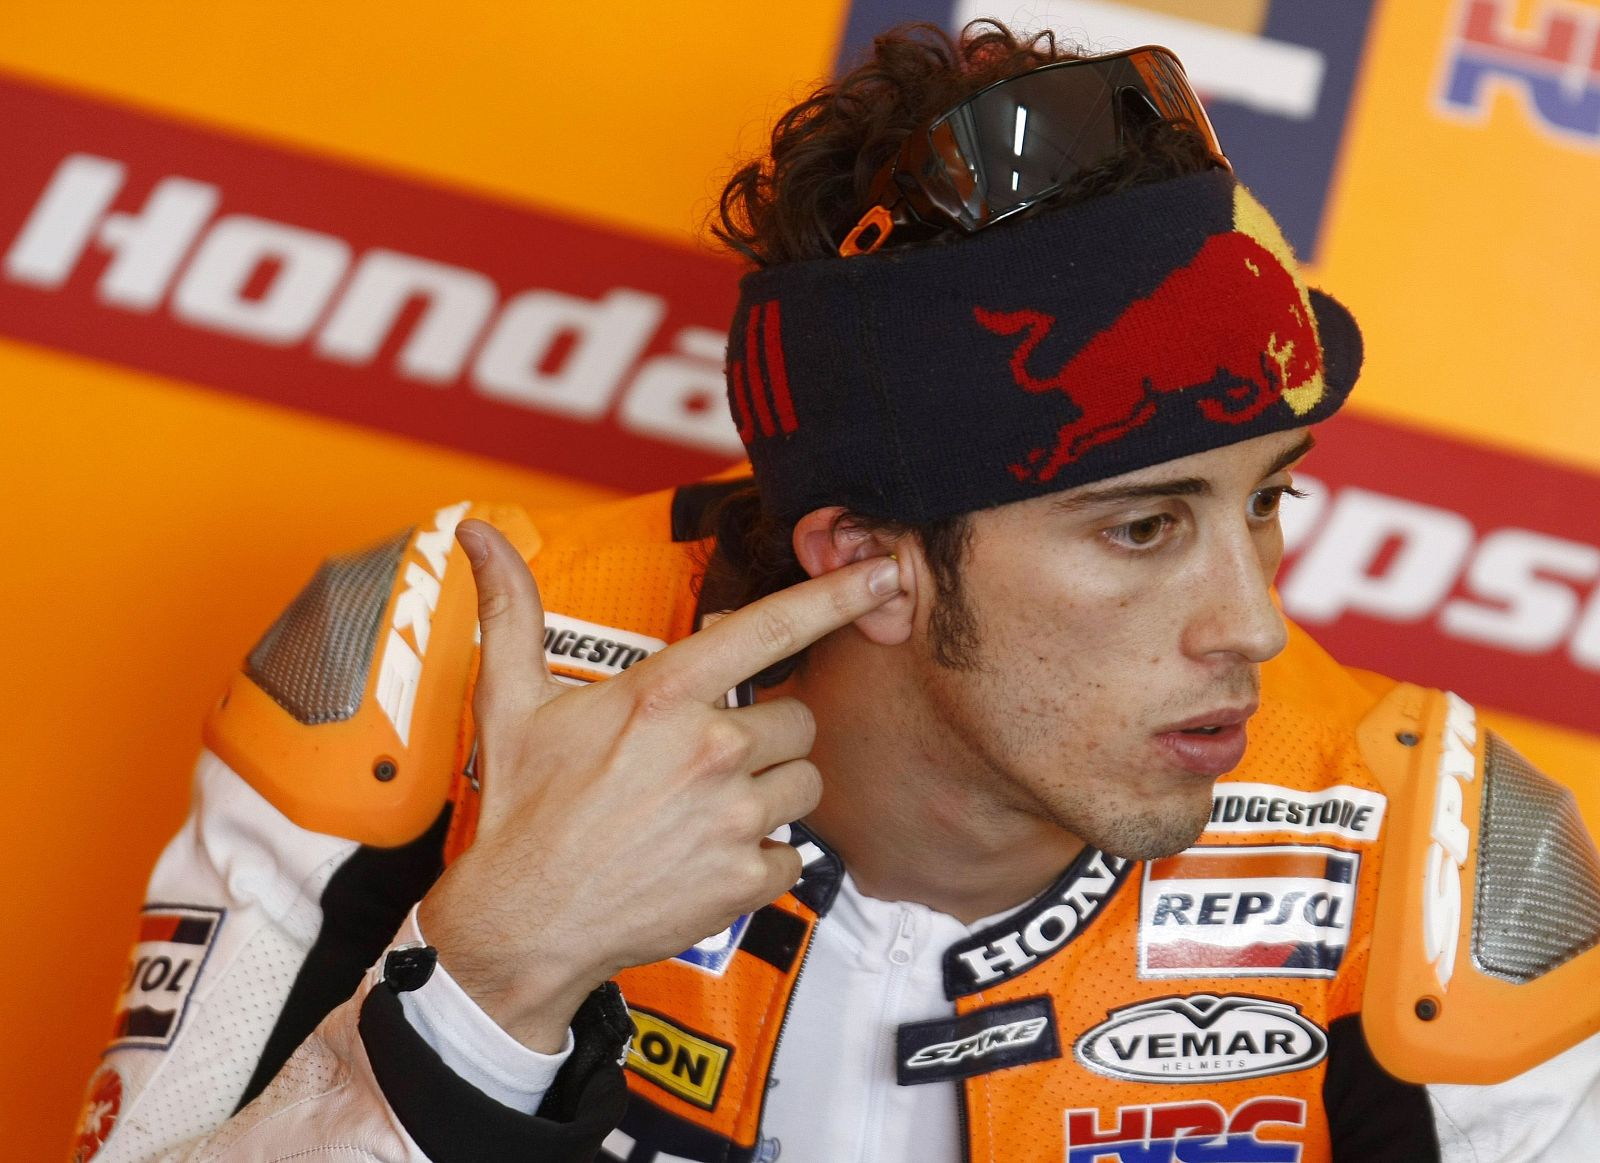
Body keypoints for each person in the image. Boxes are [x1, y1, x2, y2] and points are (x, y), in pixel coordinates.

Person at [73, 21, 1600, 1163]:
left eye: (1268, 501)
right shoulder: (429, 666)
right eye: (1143, 529)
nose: (1256, 621)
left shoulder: (1456, 858)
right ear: (863, 558)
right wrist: (491, 980)